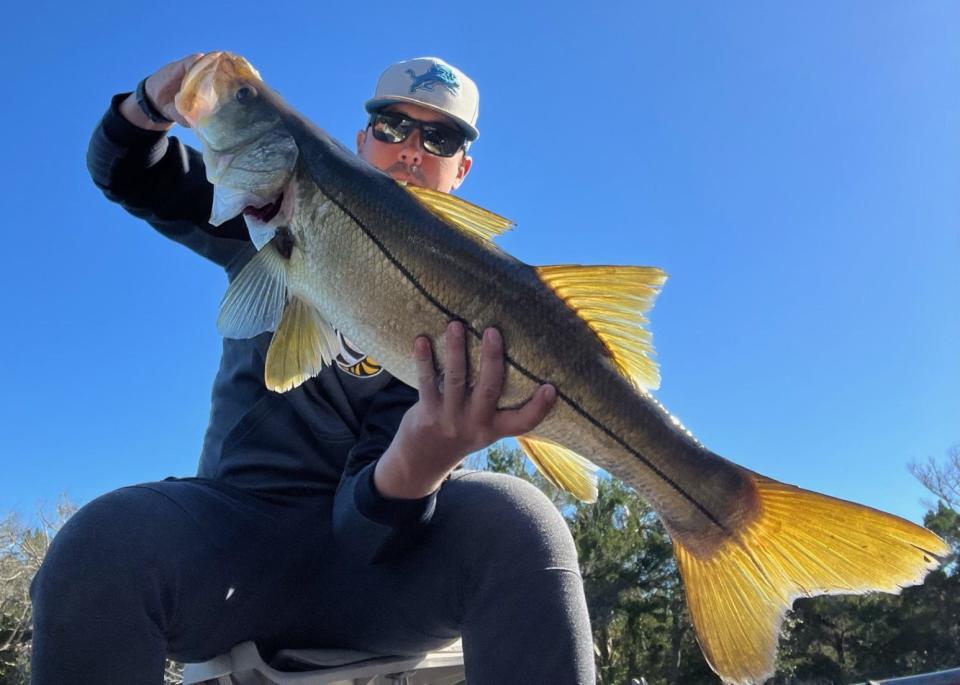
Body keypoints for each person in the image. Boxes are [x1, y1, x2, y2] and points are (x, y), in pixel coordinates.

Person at [30, 54, 595, 684]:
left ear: (461, 168)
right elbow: (128, 170)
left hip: (383, 579)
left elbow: (369, 536)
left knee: (522, 521)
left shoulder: (477, 314)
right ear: (361, 139)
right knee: (101, 546)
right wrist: (150, 104)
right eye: (391, 126)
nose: (411, 149)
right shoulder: (259, 211)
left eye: (440, 138)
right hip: (233, 548)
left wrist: (422, 458)